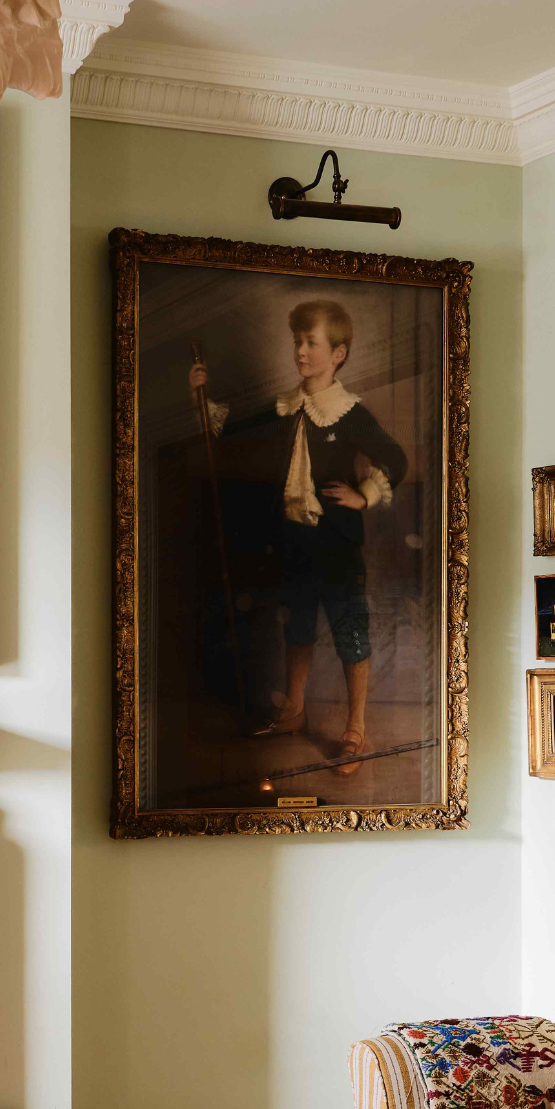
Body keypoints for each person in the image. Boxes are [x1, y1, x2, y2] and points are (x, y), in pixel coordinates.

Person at [189, 298, 407, 775]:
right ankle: (295, 711)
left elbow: (395, 458)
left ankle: (355, 727)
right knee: (299, 628)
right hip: (293, 544)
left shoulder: (350, 413)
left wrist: (364, 493)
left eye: (312, 343)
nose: (301, 352)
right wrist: (203, 397)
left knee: (350, 632)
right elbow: (228, 429)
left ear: (339, 354)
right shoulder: (284, 407)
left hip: (338, 548)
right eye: (297, 342)